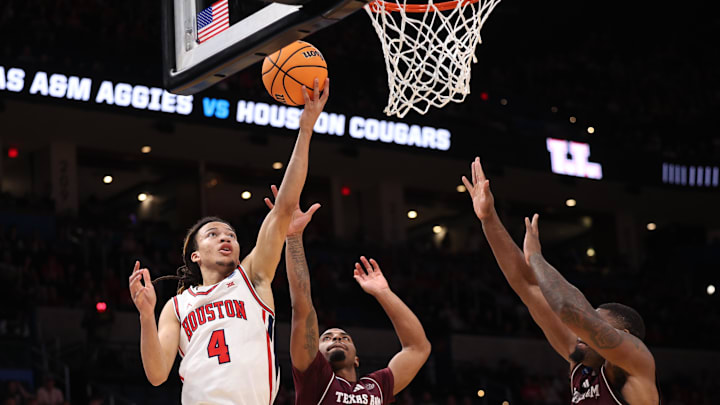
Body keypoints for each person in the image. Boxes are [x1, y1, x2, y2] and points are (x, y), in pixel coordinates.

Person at [128, 79, 329, 405]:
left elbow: (283, 208)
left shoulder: (253, 276)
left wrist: (305, 130)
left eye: (231, 235)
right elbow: (156, 374)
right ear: (195, 256)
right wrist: (146, 315)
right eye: (213, 234)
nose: (226, 238)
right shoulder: (177, 307)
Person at [461, 157, 659, 404]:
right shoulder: (581, 361)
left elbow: (568, 309)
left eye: (594, 319)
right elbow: (527, 286)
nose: (578, 333)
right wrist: (488, 219)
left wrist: (535, 258)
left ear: (623, 335)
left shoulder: (636, 362)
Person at [263, 186, 431, 405]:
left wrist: (384, 293)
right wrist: (293, 237)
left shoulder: (376, 387)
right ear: (316, 354)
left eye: (344, 338)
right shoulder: (315, 379)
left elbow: (418, 348)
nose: (336, 338)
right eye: (327, 338)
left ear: (357, 358)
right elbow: (303, 307)